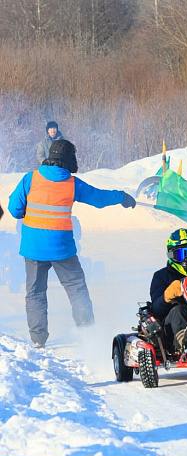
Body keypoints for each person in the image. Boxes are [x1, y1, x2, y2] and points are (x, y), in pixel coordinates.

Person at [7, 139, 136, 348]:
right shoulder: (72, 184)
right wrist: (122, 197)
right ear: (69, 160)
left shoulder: (30, 179)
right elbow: (99, 198)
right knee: (76, 288)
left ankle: (38, 339)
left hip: (33, 248)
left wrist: (26, 212)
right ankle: (86, 331)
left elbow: (14, 210)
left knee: (35, 293)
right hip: (61, 249)